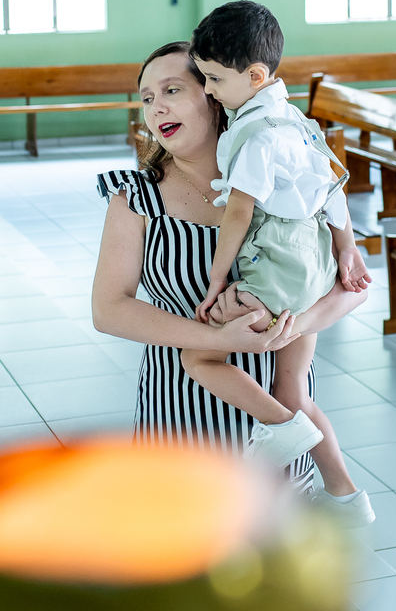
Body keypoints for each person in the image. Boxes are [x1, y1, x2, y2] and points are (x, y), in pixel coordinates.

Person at [180, 0, 373, 526]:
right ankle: (346, 495)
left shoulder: (257, 137)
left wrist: (217, 279)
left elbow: (239, 212)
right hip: (314, 265)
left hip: (279, 270)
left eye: (215, 79)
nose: (209, 91)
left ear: (255, 76)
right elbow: (333, 186)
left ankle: (279, 430)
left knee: (198, 357)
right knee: (294, 391)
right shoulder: (296, 120)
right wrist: (347, 246)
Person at [92, 42, 315, 493]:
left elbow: (349, 287)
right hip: (179, 413)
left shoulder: (281, 175)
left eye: (171, 90)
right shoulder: (136, 197)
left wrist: (285, 329)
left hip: (279, 413)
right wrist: (217, 340)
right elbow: (109, 309)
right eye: (147, 98)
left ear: (215, 94)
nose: (156, 108)